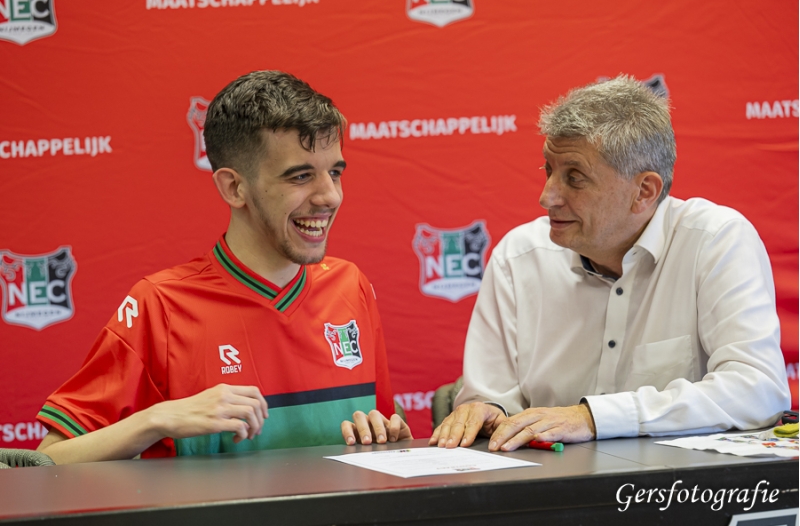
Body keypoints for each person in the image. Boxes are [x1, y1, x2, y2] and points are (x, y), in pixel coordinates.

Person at [36, 70, 411, 463]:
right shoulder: (160, 305)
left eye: (334, 172)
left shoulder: (352, 285)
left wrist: (390, 437)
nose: (330, 196)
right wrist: (154, 420)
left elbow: (384, 427)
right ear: (234, 187)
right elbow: (46, 464)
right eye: (301, 176)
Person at [431, 75, 791, 452]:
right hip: (549, 481)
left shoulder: (714, 240)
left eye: (575, 178)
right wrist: (486, 410)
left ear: (644, 192)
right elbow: (490, 398)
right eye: (549, 170)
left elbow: (758, 390)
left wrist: (593, 418)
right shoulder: (519, 255)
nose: (547, 196)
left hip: (677, 482)